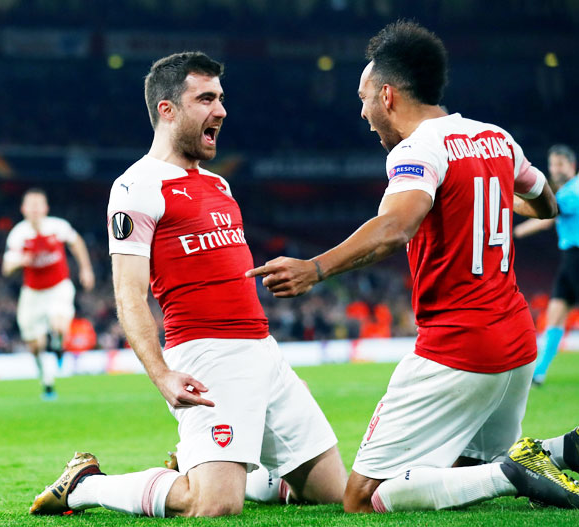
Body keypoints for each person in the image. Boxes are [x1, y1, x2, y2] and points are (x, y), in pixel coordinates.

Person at [247, 21, 579, 512]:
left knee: (363, 498)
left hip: (456, 346)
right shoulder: (497, 138)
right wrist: (480, 202)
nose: (361, 112)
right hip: (514, 343)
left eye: (362, 98)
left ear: (387, 95)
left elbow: (396, 226)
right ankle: (559, 451)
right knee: (460, 478)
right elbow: (547, 204)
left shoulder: (418, 148)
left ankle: (516, 471)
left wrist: (313, 269)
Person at [29, 52, 346, 518]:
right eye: (206, 99)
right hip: (207, 354)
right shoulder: (136, 187)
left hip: (263, 351)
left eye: (221, 98)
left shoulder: (219, 185)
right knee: (214, 506)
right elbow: (129, 294)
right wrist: (161, 374)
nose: (220, 110)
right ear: (167, 109)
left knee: (337, 493)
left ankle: (215, 466)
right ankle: (85, 485)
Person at [2, 188, 94, 399]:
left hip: (58, 287)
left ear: (45, 208)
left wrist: (86, 269)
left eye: (38, 205)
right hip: (33, 294)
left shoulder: (57, 227)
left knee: (59, 324)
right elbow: (6, 267)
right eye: (30, 206)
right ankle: (47, 381)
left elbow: (76, 242)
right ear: (23, 209)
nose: (35, 209)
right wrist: (19, 261)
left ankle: (58, 343)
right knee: (35, 345)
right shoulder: (19, 233)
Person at [514, 144, 579, 385]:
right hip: (569, 258)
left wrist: (514, 231)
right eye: (553, 164)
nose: (555, 168)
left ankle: (539, 370)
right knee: (555, 313)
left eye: (560, 164)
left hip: (576, 255)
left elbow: (545, 218)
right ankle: (539, 372)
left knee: (557, 313)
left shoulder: (572, 192)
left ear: (572, 166)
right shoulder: (569, 190)